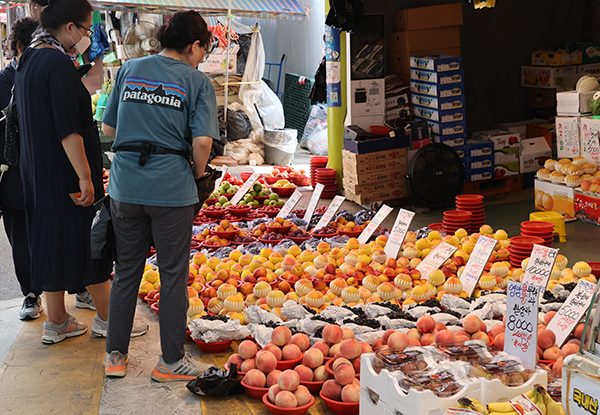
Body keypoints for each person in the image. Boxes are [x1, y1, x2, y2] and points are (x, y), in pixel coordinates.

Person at [15, 0, 147, 344]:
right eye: (86, 29)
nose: (87, 37)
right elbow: (68, 129)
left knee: (50, 242)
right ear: (70, 27)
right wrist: (86, 177)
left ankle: (56, 321)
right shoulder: (56, 63)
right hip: (65, 175)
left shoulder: (30, 55)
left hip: (38, 173)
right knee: (91, 244)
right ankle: (110, 319)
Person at [101, 10, 218, 381]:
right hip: (171, 190)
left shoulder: (128, 69)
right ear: (194, 44)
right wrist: (198, 175)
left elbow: (108, 126)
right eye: (204, 49)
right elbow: (202, 141)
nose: (202, 58)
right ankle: (170, 362)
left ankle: (115, 358)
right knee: (172, 275)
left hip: (124, 187)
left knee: (126, 273)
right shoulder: (197, 81)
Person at [0, 17, 40, 320]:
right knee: (21, 237)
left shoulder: (46, 75)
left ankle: (71, 288)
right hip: (12, 173)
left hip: (45, 171)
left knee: (52, 233)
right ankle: (30, 294)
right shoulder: (3, 82)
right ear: (18, 47)